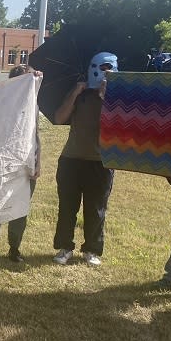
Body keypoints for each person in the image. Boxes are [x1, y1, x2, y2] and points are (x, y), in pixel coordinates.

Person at [52, 52, 117, 266]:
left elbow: (120, 128)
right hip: (71, 158)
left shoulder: (118, 98)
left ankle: (92, 250)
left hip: (101, 161)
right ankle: (64, 247)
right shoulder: (78, 93)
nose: (102, 72)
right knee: (67, 207)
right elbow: (59, 118)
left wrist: (107, 99)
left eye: (108, 68)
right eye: (99, 67)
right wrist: (76, 93)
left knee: (96, 208)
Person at [0, 65, 42, 263]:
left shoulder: (33, 104)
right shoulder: (0, 103)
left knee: (20, 207)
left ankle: (14, 248)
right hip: (3, 163)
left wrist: (37, 162)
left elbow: (35, 135)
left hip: (26, 165)